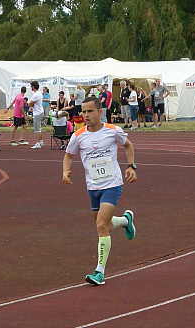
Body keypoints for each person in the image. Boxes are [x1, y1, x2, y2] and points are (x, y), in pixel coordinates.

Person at [62, 97, 137, 286]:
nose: (86, 115)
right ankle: (126, 220)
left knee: (101, 226)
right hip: (93, 187)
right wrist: (65, 171)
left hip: (112, 184)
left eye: (90, 111)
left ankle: (99, 272)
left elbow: (128, 146)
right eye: (83, 112)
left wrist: (131, 166)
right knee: (104, 224)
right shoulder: (78, 136)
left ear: (100, 112)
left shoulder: (113, 131)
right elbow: (69, 155)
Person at [28, 81, 45, 149]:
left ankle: (38, 143)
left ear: (33, 87)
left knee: (37, 128)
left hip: (37, 113)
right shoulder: (39, 93)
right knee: (39, 127)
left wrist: (31, 105)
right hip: (38, 111)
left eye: (31, 86)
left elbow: (30, 103)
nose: (31, 88)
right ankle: (40, 141)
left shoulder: (36, 94)